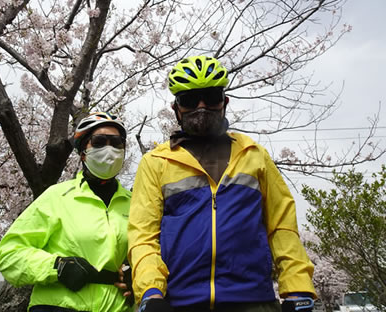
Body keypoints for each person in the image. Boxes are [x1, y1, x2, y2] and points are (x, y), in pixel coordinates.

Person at [127, 56, 317, 312]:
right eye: (191, 100)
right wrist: (150, 292)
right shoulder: (155, 162)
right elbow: (144, 236)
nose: (202, 106)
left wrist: (298, 289)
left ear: (224, 102)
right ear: (177, 108)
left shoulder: (254, 155)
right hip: (180, 303)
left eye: (211, 96)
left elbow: (282, 226)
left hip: (254, 301)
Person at [0, 112, 133, 312]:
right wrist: (56, 267)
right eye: (99, 142)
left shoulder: (134, 203)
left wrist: (138, 277)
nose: (109, 149)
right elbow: (9, 255)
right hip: (57, 307)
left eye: (116, 142)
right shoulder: (57, 197)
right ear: (83, 152)